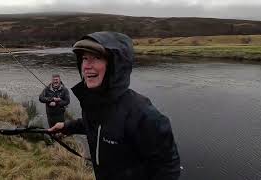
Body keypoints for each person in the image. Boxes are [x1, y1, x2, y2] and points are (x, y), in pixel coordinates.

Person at [48, 32, 180, 180]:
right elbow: (97, 126)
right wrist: (67, 127)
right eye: (85, 58)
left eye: (97, 58)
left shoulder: (143, 113)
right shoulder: (93, 102)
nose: (87, 66)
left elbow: (169, 168)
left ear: (115, 66)